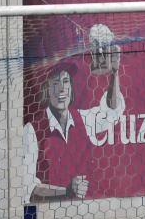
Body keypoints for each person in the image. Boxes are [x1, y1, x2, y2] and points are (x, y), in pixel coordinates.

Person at [23, 24, 124, 202]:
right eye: (55, 83)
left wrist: (114, 75)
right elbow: (28, 190)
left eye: (66, 81)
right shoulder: (32, 130)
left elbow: (111, 112)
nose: (61, 89)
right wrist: (66, 191)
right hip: (47, 218)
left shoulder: (83, 120)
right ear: (46, 89)